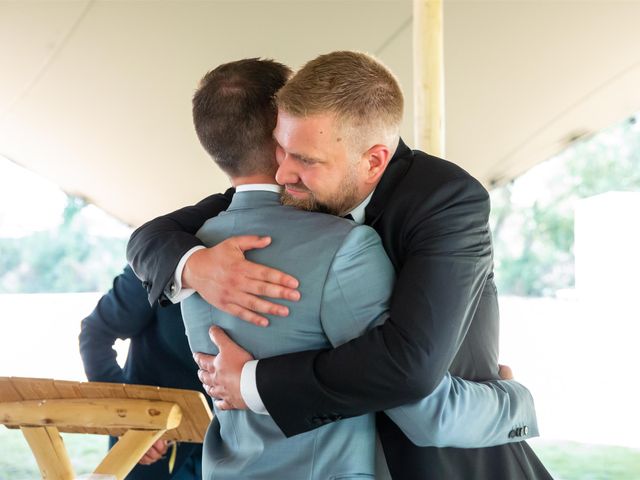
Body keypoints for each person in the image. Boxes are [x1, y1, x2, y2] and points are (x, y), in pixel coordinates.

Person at [128, 51, 552, 479]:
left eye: (304, 160)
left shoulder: (445, 201)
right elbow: (150, 238)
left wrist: (251, 383)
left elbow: (408, 368)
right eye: (281, 150)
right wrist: (195, 265)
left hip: (449, 461)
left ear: (373, 161)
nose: (281, 175)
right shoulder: (295, 183)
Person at [79, 265, 206, 480]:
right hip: (152, 451)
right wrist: (129, 417)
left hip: (239, 452)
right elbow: (96, 335)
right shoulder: (158, 257)